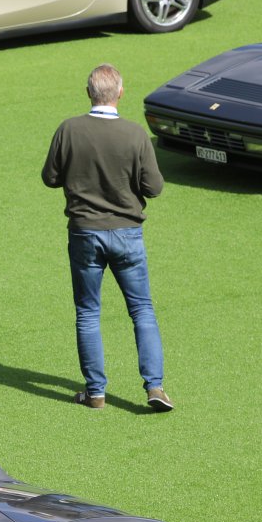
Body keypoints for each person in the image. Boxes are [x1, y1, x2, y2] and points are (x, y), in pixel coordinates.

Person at [42, 64, 170, 412]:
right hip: (128, 234)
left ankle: (95, 392)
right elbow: (154, 187)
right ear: (120, 93)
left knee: (88, 312)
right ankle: (155, 387)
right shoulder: (135, 134)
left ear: (89, 93)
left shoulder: (69, 129)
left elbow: (50, 177)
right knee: (142, 310)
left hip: (85, 233)